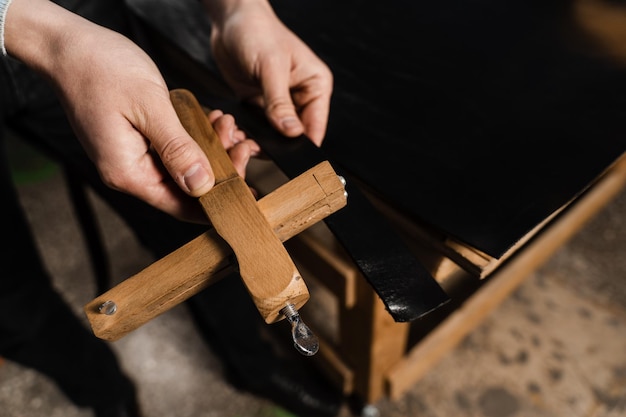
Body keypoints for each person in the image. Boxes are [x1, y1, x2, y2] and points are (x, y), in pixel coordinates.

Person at [0, 0, 340, 416]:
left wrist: (238, 10)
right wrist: (46, 37)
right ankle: (108, 396)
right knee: (11, 304)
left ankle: (252, 367)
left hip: (81, 20)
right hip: (67, 36)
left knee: (204, 229)